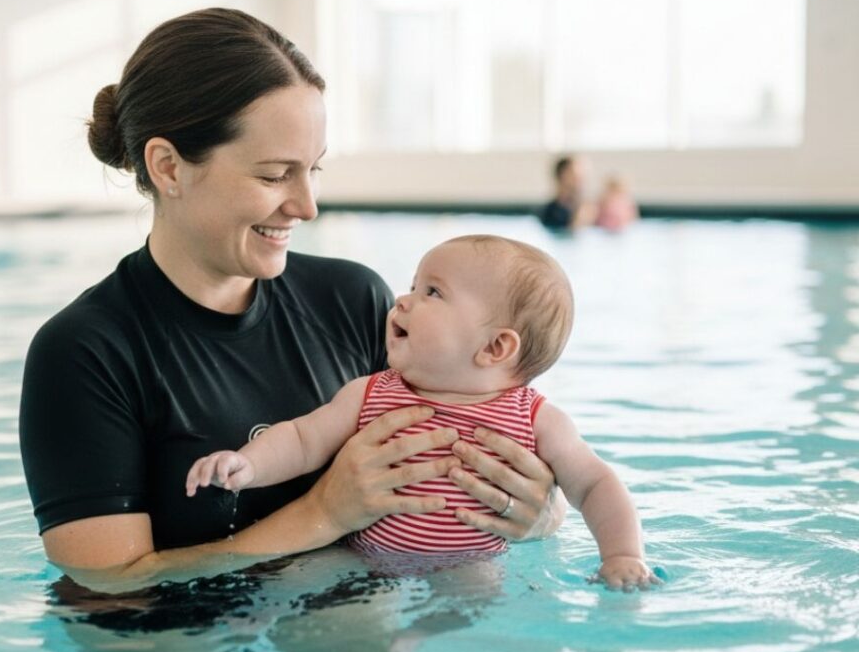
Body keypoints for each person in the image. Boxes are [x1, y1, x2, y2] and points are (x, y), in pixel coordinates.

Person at [19, 8, 564, 595]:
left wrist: (534, 511)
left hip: (347, 605)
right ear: (168, 167)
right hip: (171, 629)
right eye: (276, 175)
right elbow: (108, 584)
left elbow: (482, 445)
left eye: (314, 170)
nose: (307, 206)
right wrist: (324, 514)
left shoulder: (353, 301)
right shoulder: (87, 351)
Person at [187, 235, 656, 590]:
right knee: (298, 586)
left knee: (475, 607)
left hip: (469, 563)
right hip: (362, 556)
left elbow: (595, 485)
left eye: (433, 292)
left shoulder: (536, 420)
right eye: (413, 285)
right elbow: (302, 440)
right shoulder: (371, 393)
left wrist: (620, 554)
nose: (403, 299)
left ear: (495, 346)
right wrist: (246, 465)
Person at [540, 155, 597, 230]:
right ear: (562, 176)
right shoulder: (549, 213)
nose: (580, 179)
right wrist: (579, 220)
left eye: (581, 176)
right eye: (574, 175)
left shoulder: (590, 210)